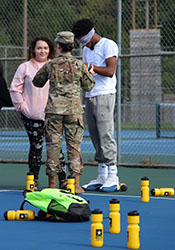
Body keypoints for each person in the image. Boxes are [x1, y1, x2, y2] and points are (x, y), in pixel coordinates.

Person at [32, 31, 95, 194]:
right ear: (72, 46)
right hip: (73, 111)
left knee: (53, 146)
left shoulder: (50, 64)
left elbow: (37, 83)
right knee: (74, 146)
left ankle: (52, 184)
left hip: (54, 111)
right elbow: (89, 86)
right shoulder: (79, 64)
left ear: (58, 46)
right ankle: (75, 184)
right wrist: (90, 74)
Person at [10, 36, 66, 191]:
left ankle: (63, 180)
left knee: (56, 149)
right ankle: (32, 181)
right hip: (32, 117)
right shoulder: (25, 67)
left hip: (53, 115)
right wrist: (23, 107)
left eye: (45, 48)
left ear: (50, 50)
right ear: (33, 50)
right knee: (36, 148)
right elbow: (15, 89)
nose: (42, 51)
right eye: (39, 48)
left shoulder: (55, 66)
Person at [72, 18, 120, 192]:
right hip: (90, 95)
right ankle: (102, 174)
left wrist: (90, 67)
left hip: (105, 95)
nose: (81, 42)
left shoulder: (108, 45)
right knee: (94, 134)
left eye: (82, 38)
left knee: (105, 134)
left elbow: (110, 71)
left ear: (90, 34)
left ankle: (113, 174)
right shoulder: (86, 49)